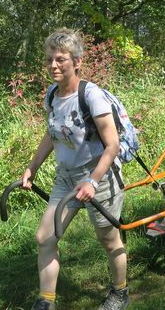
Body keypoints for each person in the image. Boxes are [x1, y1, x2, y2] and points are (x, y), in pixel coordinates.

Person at [21, 29, 129, 310]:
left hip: (100, 179)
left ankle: (120, 291)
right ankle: (46, 301)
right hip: (66, 179)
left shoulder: (91, 96)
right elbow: (51, 134)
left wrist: (92, 181)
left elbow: (112, 145)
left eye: (60, 59)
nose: (53, 65)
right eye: (49, 60)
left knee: (108, 239)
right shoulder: (52, 95)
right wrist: (32, 167)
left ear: (77, 62)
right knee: (45, 237)